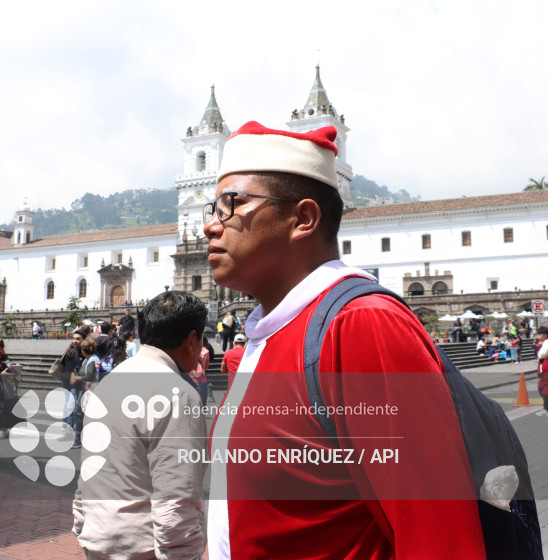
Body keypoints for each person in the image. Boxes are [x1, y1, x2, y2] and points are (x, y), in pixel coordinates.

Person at [202, 121, 485, 558]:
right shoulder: (267, 334)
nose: (210, 226)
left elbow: (438, 535)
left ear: (303, 219)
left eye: (231, 205)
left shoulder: (360, 327)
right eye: (211, 208)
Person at [73, 291, 207, 558]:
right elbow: (176, 494)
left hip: (97, 534)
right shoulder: (177, 393)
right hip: (141, 546)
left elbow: (90, 467)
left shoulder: (110, 381)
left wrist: (82, 523)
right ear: (191, 340)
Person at [536, 327, 548, 417]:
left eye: (540, 334)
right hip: (543, 370)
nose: (539, 336)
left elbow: (541, 354)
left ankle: (546, 409)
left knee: (544, 390)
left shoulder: (546, 343)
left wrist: (540, 346)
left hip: (546, 371)